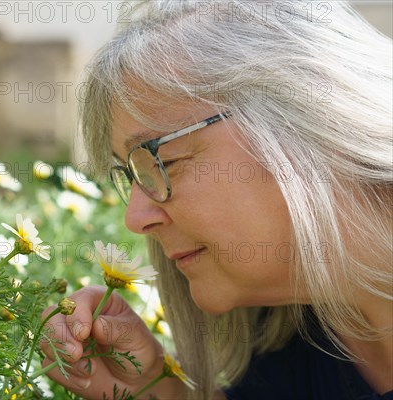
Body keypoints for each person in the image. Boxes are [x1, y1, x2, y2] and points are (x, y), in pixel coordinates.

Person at [41, 1, 393, 399]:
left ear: (308, 122)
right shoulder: (290, 336)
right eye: (132, 175)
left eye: (162, 160)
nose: (135, 218)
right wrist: (157, 389)